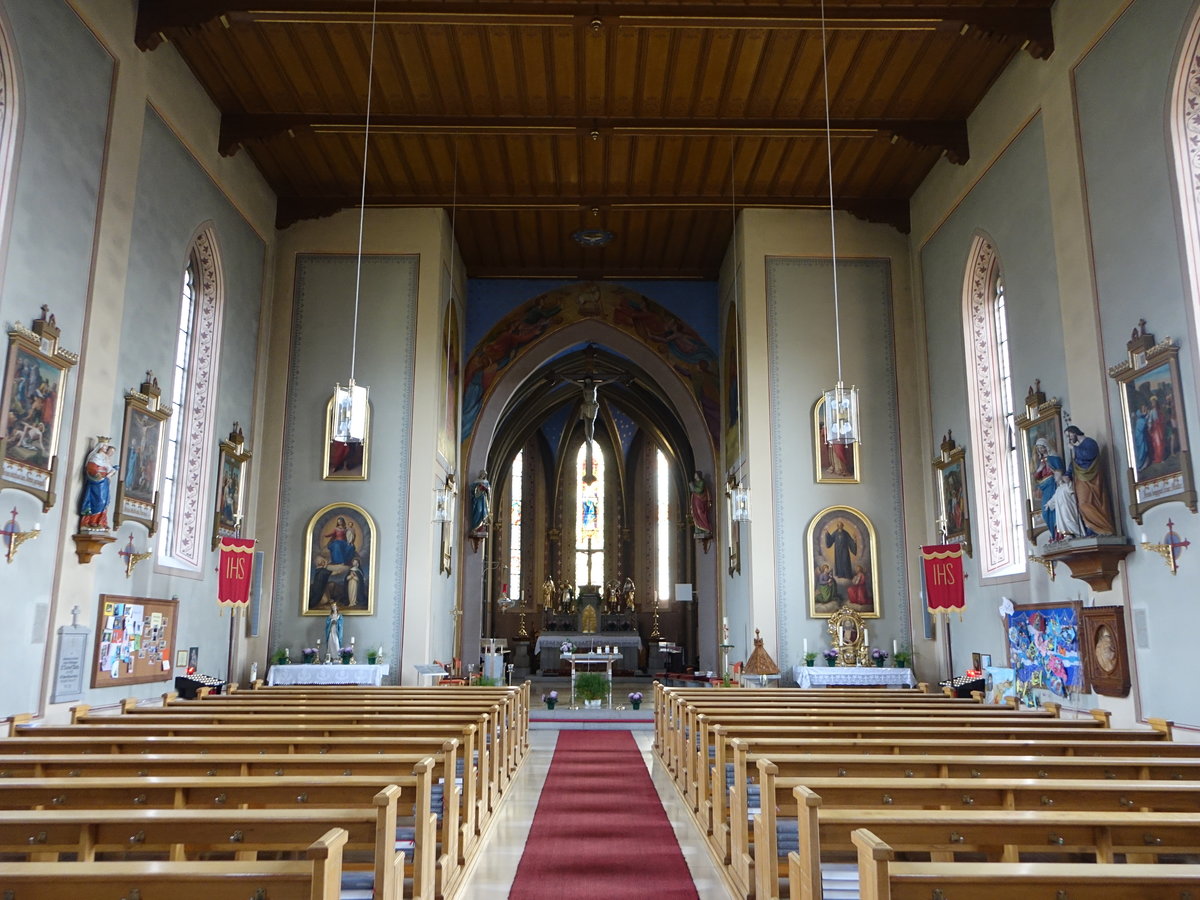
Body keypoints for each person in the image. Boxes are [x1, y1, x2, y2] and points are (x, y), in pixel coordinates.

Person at [1066, 425, 1117, 536]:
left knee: (1090, 502)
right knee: (1082, 503)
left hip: (1092, 477)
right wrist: (1068, 474)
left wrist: (1074, 448)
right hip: (1080, 478)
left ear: (1074, 432)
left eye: (1069, 435)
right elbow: (1074, 462)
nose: (1069, 439)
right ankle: (1091, 528)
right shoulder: (1078, 446)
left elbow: (1089, 455)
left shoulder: (1090, 443)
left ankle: (1101, 528)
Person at [79, 439, 118, 530]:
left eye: (106, 447)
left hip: (104, 482)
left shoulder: (105, 458)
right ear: (100, 446)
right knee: (98, 501)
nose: (106, 448)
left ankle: (100, 522)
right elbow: (91, 468)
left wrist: (113, 470)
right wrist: (96, 475)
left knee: (105, 501)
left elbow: (109, 469)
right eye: (104, 446)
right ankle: (91, 521)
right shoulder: (95, 456)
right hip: (96, 481)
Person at [1045, 461, 1085, 539]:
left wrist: (1068, 482)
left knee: (1069, 521)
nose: (1054, 477)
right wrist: (1049, 503)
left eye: (1055, 475)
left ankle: (1079, 534)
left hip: (1068, 508)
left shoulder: (1065, 486)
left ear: (1060, 476)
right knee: (1062, 523)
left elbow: (1071, 489)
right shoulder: (1058, 489)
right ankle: (1068, 534)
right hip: (1061, 510)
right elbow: (1054, 498)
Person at [689, 471, 712, 538]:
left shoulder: (702, 482)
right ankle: (699, 529)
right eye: (694, 475)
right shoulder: (695, 483)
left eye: (696, 475)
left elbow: (700, 490)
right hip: (695, 500)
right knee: (696, 513)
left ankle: (706, 527)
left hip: (701, 500)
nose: (695, 476)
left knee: (700, 512)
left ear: (698, 475)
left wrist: (693, 487)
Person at [470, 471, 491, 536]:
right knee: (478, 510)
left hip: (483, 498)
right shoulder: (476, 481)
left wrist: (486, 489)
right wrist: (478, 487)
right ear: (480, 474)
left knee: (483, 511)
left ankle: (479, 527)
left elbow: (489, 492)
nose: (483, 475)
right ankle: (474, 528)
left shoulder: (486, 482)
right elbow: (472, 489)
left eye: (484, 475)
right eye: (482, 474)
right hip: (477, 498)